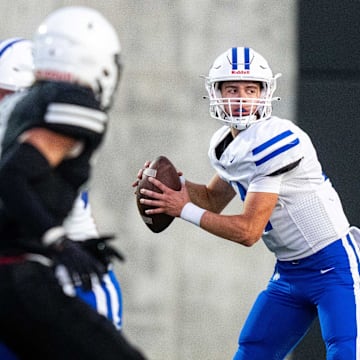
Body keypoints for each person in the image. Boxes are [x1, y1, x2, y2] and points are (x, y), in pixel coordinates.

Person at [135, 47, 360, 359]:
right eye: (232, 89)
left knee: (345, 353)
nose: (241, 98)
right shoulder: (225, 145)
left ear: (264, 94)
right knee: (253, 351)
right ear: (216, 92)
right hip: (290, 271)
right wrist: (172, 188)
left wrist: (181, 208)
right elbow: (213, 200)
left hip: (333, 266)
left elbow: (249, 231)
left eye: (250, 89)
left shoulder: (277, 140)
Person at [0, 6, 146, 360]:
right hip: (52, 270)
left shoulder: (34, 118)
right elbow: (15, 178)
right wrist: (59, 242)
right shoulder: (62, 110)